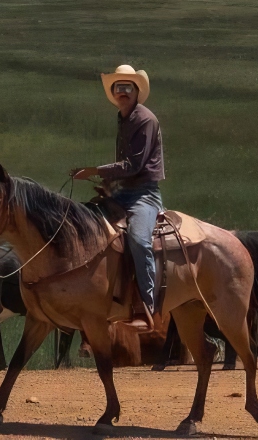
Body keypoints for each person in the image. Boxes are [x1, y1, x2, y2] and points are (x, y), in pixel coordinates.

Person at [71, 64, 164, 331]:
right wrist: (109, 185)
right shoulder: (123, 117)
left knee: (139, 241)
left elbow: (133, 166)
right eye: (117, 87)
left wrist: (95, 171)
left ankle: (148, 307)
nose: (122, 92)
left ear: (136, 91)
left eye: (127, 87)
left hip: (144, 195)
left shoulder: (145, 120)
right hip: (123, 193)